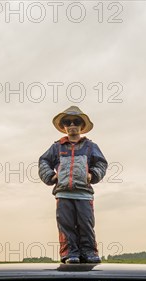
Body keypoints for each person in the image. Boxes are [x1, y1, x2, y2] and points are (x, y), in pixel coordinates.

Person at [39, 106, 108, 264]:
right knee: (66, 225)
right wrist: (51, 176)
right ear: (63, 127)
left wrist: (93, 175)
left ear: (81, 126)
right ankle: (70, 254)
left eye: (76, 121)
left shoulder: (91, 147)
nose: (72, 125)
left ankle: (89, 252)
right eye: (67, 122)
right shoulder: (57, 147)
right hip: (63, 194)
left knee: (86, 224)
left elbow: (101, 163)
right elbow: (44, 161)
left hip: (84, 193)